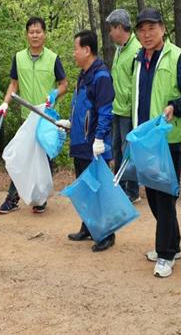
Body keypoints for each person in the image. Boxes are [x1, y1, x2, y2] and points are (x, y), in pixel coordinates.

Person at [133, 8, 181, 278]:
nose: (146, 34)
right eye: (142, 30)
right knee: (154, 197)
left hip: (167, 139)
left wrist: (173, 106)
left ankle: (166, 255)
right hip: (146, 140)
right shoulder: (139, 58)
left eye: (151, 29)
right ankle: (174, 244)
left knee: (166, 196)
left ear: (163, 29)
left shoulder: (177, 56)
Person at [0, 17, 68, 214]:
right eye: (31, 32)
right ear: (27, 34)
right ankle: (12, 199)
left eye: (38, 31)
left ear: (44, 34)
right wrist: (4, 103)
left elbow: (64, 84)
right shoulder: (19, 57)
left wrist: (54, 94)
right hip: (27, 117)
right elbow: (13, 84)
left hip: (47, 118)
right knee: (22, 157)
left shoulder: (53, 58)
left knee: (45, 159)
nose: (35, 35)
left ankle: (41, 198)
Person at [58, 30, 116, 252]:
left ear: (87, 50)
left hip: (94, 145)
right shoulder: (84, 75)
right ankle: (88, 227)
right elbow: (82, 106)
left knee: (98, 189)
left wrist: (100, 137)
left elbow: (105, 111)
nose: (73, 53)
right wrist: (71, 122)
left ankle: (107, 234)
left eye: (75, 48)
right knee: (85, 188)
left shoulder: (101, 76)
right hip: (80, 142)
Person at [106, 9, 142, 204]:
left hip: (128, 111)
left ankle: (132, 189)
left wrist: (131, 107)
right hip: (117, 109)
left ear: (120, 27)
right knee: (117, 149)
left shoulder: (136, 50)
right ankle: (119, 185)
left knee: (129, 151)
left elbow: (137, 83)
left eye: (112, 28)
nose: (110, 33)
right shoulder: (120, 49)